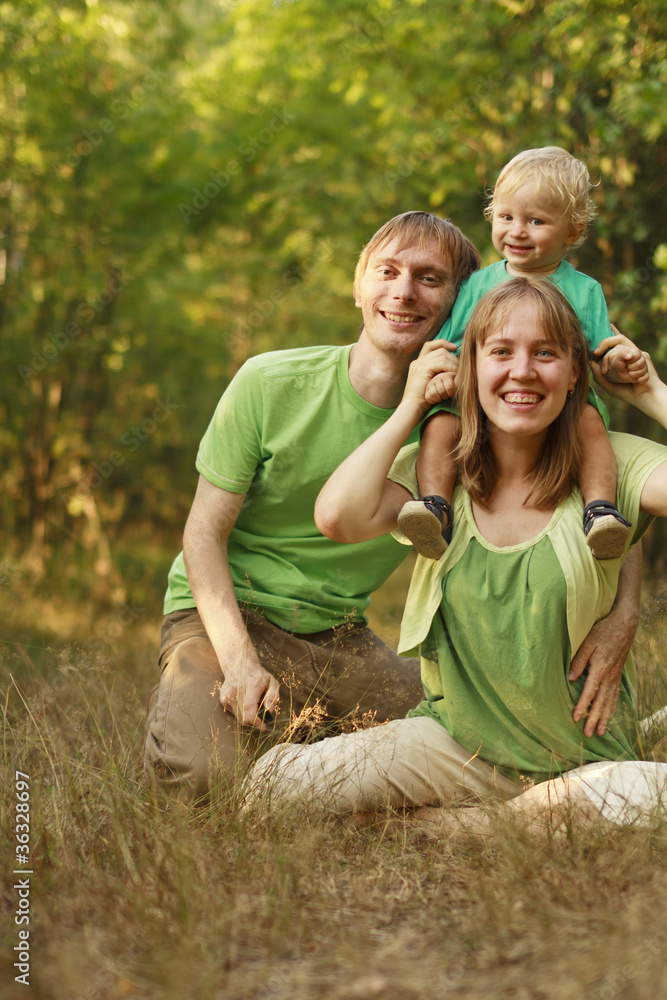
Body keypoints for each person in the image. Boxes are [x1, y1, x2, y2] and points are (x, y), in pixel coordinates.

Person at [244, 279, 667, 829]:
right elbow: (337, 516)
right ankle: (524, 822)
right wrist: (409, 407)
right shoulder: (439, 478)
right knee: (273, 787)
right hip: (453, 747)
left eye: (545, 353)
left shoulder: (612, 468)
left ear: (572, 377)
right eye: (500, 352)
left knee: (650, 793)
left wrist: (651, 394)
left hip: (588, 761)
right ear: (470, 370)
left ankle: (465, 828)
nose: (522, 371)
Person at [143, 211, 481, 799]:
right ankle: (209, 716)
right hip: (222, 621)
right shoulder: (269, 382)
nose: (403, 291)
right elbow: (202, 535)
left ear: (458, 302)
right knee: (204, 784)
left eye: (429, 279)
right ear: (359, 286)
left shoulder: (452, 430)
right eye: (388, 271)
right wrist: (240, 662)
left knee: (468, 740)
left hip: (338, 636)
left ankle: (295, 737)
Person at [397, 147, 648, 562]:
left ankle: (600, 510)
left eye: (535, 221)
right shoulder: (478, 285)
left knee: (590, 421)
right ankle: (434, 507)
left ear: (572, 231)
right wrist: (445, 374)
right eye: (506, 217)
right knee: (441, 421)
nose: (517, 231)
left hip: (561, 403)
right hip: (480, 403)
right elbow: (451, 345)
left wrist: (622, 363)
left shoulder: (585, 291)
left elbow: (602, 355)